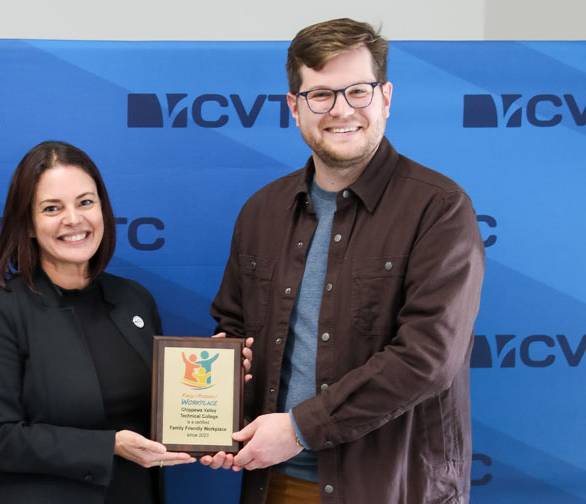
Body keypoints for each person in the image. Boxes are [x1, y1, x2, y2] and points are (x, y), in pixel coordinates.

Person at [203, 18, 485, 504]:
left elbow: (427, 358)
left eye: (358, 91)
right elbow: (232, 326)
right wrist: (217, 409)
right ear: (294, 107)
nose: (341, 110)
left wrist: (298, 429)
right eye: (321, 95)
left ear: (386, 97)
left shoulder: (439, 209)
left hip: (394, 489)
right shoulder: (261, 212)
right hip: (278, 484)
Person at [0, 141, 195, 504]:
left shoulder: (136, 299)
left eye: (85, 202)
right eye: (52, 208)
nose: (74, 220)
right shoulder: (0, 311)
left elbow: (169, 409)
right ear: (27, 224)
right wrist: (110, 446)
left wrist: (218, 386)